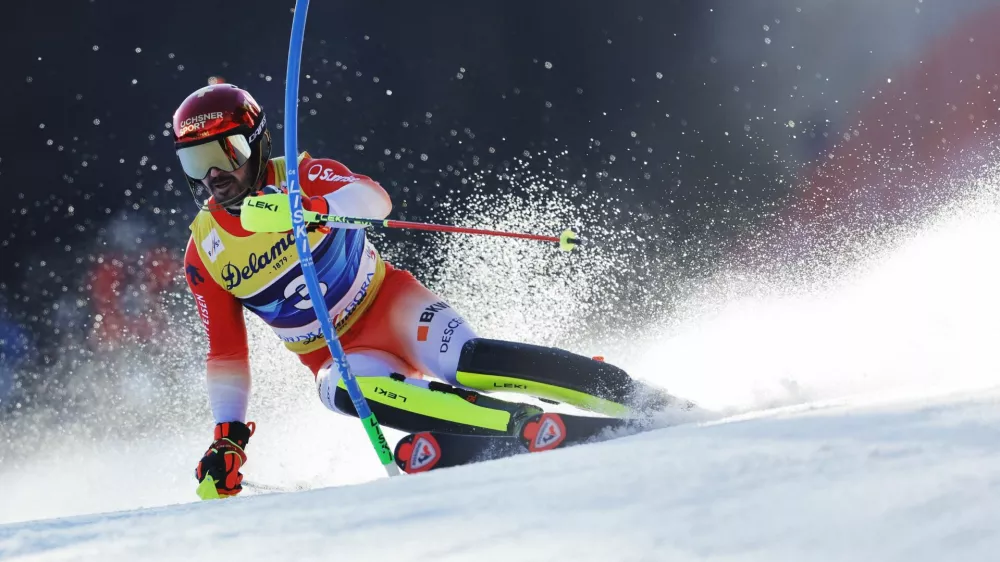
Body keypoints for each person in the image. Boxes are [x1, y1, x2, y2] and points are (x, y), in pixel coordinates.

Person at [174, 84, 683, 500]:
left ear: (258, 143)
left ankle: (623, 392)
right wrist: (229, 440)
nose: (214, 176)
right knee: (342, 390)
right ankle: (516, 426)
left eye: (227, 153)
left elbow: (374, 201)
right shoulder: (206, 253)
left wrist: (308, 207)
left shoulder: (299, 174)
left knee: (467, 361)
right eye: (196, 163)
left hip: (391, 305)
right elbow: (225, 354)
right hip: (337, 354)